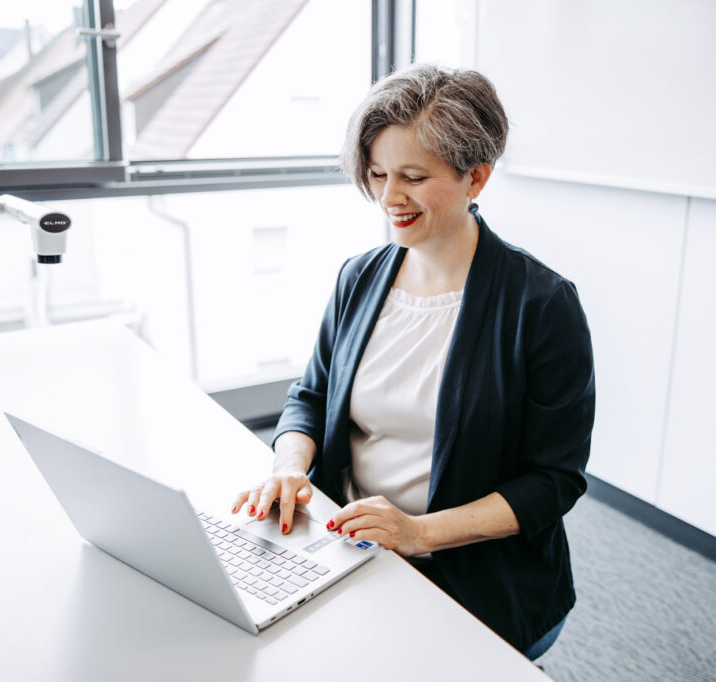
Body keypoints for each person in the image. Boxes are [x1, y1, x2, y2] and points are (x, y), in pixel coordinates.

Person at [231, 63, 595, 660]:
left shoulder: (541, 305)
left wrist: (417, 532)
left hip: (477, 582)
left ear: (476, 177)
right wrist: (289, 467)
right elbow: (311, 397)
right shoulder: (359, 277)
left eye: (413, 177)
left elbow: (553, 480)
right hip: (350, 549)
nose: (388, 198)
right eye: (377, 174)